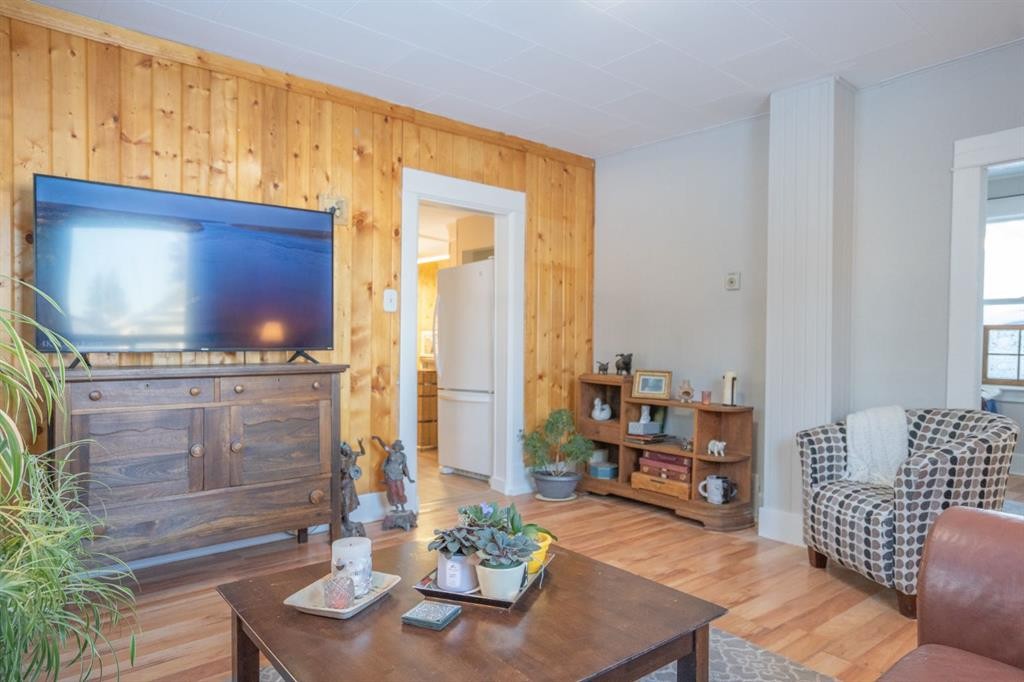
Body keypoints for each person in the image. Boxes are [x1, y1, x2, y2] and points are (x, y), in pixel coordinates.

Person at [373, 436, 415, 511]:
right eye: (395, 446)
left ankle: (402, 507)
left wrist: (409, 478)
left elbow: (405, 467)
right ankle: (396, 507)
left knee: (400, 490)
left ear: (400, 448)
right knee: (392, 491)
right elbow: (384, 446)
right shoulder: (391, 452)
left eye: (397, 446)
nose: (396, 447)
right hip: (389, 473)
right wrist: (378, 438)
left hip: (398, 474)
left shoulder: (403, 456)